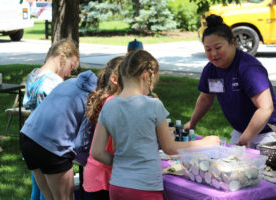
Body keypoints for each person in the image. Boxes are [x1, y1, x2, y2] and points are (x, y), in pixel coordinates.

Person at [91, 49, 220, 200]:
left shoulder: (109, 106)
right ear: (145, 76)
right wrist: (205, 143)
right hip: (144, 187)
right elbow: (170, 148)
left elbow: (97, 152)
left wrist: (122, 164)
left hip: (117, 185)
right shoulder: (153, 105)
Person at [184, 14, 276, 149]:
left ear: (232, 42)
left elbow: (265, 108)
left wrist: (246, 138)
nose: (213, 54)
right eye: (208, 49)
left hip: (273, 133)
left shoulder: (248, 68)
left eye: (218, 48)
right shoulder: (211, 70)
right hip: (242, 132)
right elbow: (206, 98)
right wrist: (192, 123)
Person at [20, 70, 98, 200]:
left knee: (49, 197)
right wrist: (88, 163)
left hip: (28, 136)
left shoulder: (70, 82)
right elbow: (82, 143)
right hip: (52, 146)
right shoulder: (93, 98)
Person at [23, 39, 79, 200]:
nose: (69, 73)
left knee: (37, 190)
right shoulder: (53, 83)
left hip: (30, 138)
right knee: (49, 194)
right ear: (62, 57)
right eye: (70, 66)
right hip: (48, 144)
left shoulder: (34, 75)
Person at [83, 56, 124, 200]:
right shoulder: (114, 104)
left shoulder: (110, 100)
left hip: (96, 175)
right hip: (103, 178)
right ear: (115, 79)